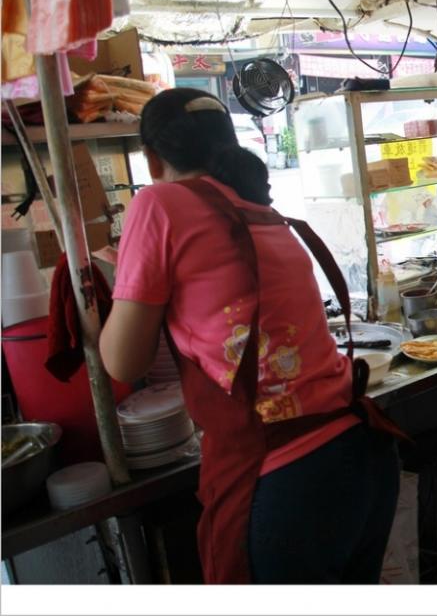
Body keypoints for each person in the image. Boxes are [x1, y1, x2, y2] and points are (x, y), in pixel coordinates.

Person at [99, 88, 400, 584]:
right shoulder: (259, 207)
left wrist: (104, 312)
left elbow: (123, 362)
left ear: (152, 161)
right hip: (360, 454)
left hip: (288, 476)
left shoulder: (158, 203)